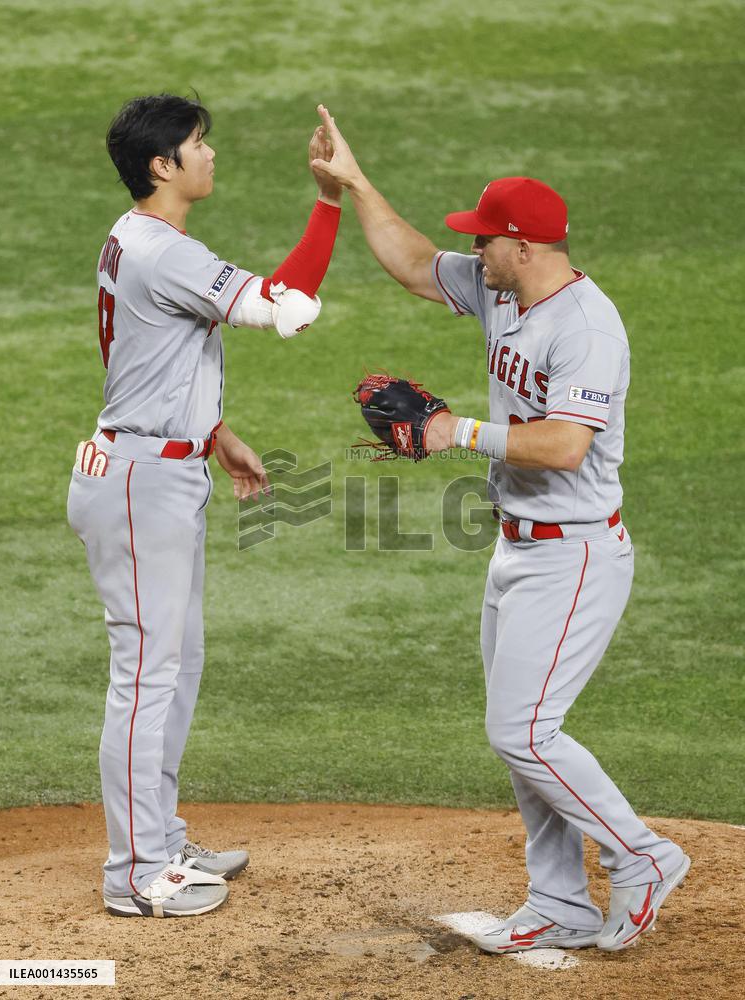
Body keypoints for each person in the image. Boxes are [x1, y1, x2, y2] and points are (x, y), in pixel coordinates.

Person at [311, 106, 690, 953]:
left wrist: (456, 432)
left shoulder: (586, 328)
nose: (473, 251)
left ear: (523, 246)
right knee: (520, 740)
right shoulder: (499, 288)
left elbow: (561, 445)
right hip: (514, 548)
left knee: (525, 731)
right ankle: (558, 901)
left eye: (485, 240)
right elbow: (413, 264)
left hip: (576, 554)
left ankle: (643, 856)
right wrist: (355, 184)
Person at [68, 95, 342, 918]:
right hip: (139, 483)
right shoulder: (161, 251)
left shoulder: (137, 234)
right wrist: (330, 201)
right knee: (145, 678)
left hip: (156, 465)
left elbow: (145, 354)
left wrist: (213, 430)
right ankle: (136, 874)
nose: (210, 154)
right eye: (197, 144)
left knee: (174, 671)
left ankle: (160, 835)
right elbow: (286, 304)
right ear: (163, 166)